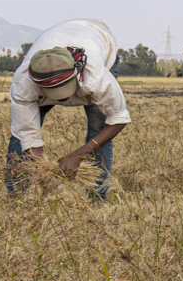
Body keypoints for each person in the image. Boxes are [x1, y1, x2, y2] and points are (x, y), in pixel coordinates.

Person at [7, 18, 131, 199]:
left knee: (99, 127)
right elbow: (27, 133)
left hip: (98, 37)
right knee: (19, 137)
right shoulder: (23, 84)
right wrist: (44, 168)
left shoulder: (96, 77)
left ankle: (97, 197)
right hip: (57, 40)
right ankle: (15, 197)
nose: (62, 98)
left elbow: (117, 119)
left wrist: (77, 155)